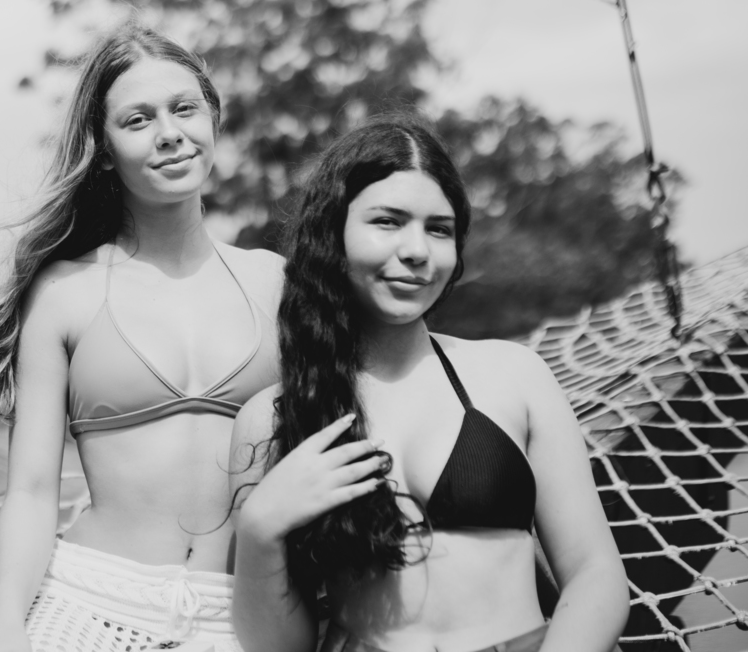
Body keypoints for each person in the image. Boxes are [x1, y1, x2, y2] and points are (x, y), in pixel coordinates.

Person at [0, 23, 283, 652]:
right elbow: (32, 490)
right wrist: (3, 624)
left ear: (213, 121)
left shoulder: (278, 282)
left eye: (184, 109)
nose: (169, 133)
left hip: (241, 617)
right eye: (138, 120)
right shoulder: (65, 292)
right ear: (104, 150)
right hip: (90, 606)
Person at [230, 117, 628, 652]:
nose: (418, 250)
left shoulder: (513, 375)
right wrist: (259, 532)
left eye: (439, 229)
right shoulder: (272, 417)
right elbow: (279, 649)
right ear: (331, 233)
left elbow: (595, 573)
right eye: (388, 221)